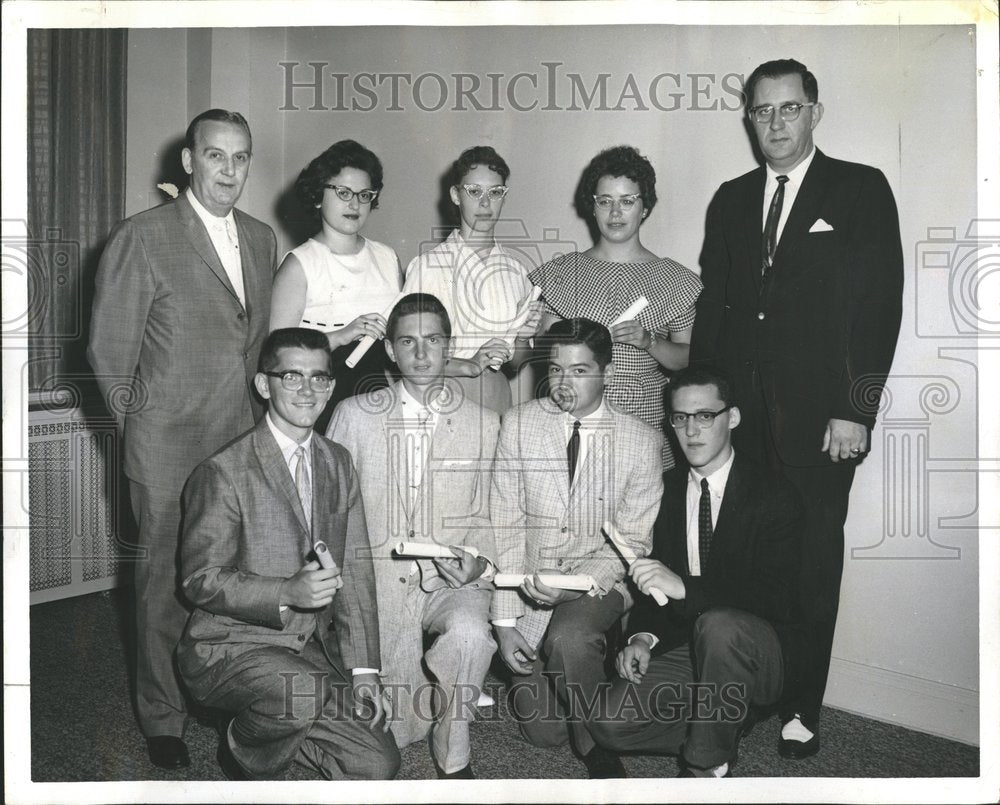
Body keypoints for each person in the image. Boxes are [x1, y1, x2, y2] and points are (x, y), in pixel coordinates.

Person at [691, 58, 904, 759]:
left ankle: (802, 705)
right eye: (762, 110)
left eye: (788, 108)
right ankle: (752, 687)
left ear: (814, 111)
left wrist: (858, 410)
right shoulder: (728, 198)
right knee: (744, 557)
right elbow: (715, 313)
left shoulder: (860, 189)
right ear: (748, 117)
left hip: (822, 424)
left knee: (812, 560)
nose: (775, 123)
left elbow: (879, 309)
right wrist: (707, 408)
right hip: (740, 419)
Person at [87, 109, 277, 770]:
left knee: (229, 580)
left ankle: (216, 688)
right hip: (165, 447)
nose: (230, 169)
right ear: (189, 161)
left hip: (237, 445)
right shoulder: (143, 236)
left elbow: (253, 347)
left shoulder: (261, 238)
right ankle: (162, 716)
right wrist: (140, 434)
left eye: (241, 156)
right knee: (163, 585)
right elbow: (108, 350)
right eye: (216, 155)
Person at [176, 328, 400, 781]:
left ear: (332, 387)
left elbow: (355, 571)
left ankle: (283, 725)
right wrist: (286, 591)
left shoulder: (337, 462)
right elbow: (199, 579)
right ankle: (242, 748)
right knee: (301, 693)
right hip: (229, 647)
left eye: (319, 378)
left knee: (376, 764)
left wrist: (364, 669)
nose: (306, 390)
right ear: (264, 385)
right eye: (291, 376)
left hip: (306, 651)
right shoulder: (223, 471)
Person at [586, 366, 806, 777]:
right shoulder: (665, 490)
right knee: (608, 724)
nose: (691, 430)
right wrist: (643, 638)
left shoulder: (775, 494)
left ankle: (703, 765)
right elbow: (654, 585)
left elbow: (775, 598)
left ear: (733, 418)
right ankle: (722, 723)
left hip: (758, 653)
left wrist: (686, 587)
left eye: (705, 416)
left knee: (721, 625)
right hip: (690, 648)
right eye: (680, 417)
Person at [326, 293, 498, 779]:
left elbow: (491, 512)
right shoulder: (354, 415)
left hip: (451, 582)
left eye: (433, 340)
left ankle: (455, 752)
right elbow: (331, 511)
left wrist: (478, 562)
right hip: (376, 583)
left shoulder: (484, 424)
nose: (421, 354)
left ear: (449, 347)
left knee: (469, 635)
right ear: (390, 350)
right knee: (393, 739)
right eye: (408, 341)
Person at [490, 317, 663, 778]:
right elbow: (505, 525)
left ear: (606, 371)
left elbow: (633, 542)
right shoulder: (519, 423)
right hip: (527, 584)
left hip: (597, 583)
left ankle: (597, 744)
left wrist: (572, 589)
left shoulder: (642, 441)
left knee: (569, 637)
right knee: (543, 733)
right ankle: (582, 670)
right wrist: (505, 622)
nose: (564, 382)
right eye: (556, 368)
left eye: (580, 370)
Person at [531, 145, 703, 470]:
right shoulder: (562, 273)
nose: (615, 213)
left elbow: (687, 359)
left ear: (645, 208)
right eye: (605, 201)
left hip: (645, 422)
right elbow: (544, 352)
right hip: (573, 418)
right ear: (592, 207)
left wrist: (649, 342)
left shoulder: (674, 279)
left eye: (627, 201)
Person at [269, 139, 402, 431]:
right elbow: (278, 354)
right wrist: (341, 335)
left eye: (364, 195)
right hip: (318, 395)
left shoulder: (387, 257)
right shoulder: (299, 264)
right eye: (343, 193)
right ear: (318, 196)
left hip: (377, 394)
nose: (354, 204)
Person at [401, 145, 542, 415]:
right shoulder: (428, 266)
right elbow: (410, 353)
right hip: (442, 391)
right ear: (456, 195)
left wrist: (524, 338)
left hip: (497, 395)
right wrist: (470, 363)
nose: (485, 203)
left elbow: (517, 363)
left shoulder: (516, 272)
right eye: (474, 192)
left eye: (495, 193)